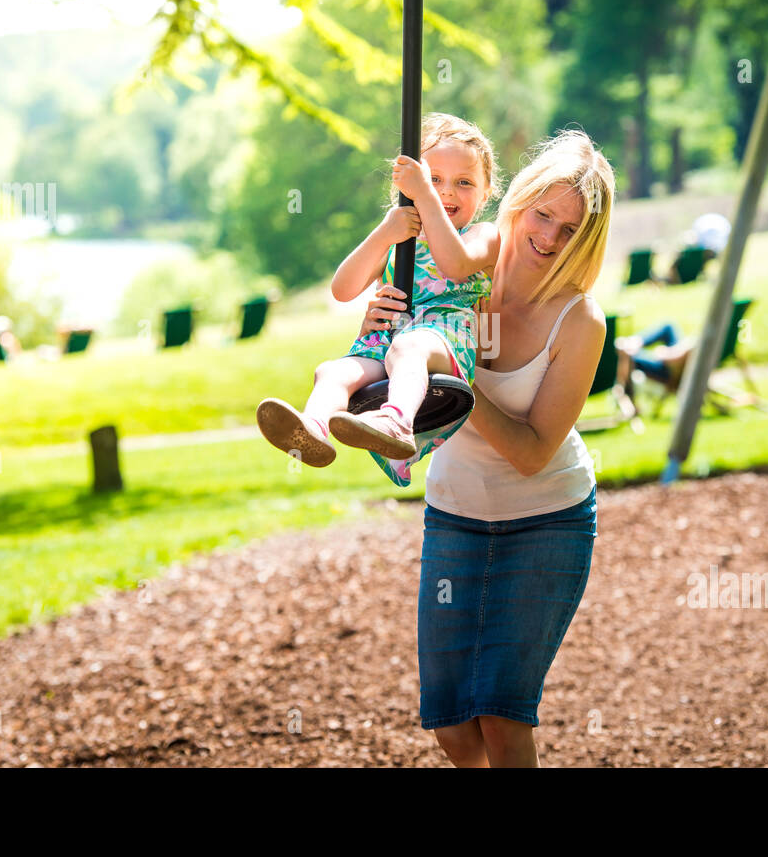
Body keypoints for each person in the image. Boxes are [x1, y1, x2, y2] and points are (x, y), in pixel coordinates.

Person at [359, 129, 614, 767]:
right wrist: (378, 332)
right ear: (519, 201)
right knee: (452, 727)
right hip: (456, 516)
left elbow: (531, 451)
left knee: (502, 716)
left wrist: (457, 386)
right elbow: (393, 368)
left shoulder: (578, 320)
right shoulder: (458, 268)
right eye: (544, 215)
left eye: (571, 230)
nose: (551, 238)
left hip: (546, 521)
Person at [255, 113, 501, 486]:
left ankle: (397, 423)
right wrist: (385, 232)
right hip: (385, 338)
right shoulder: (401, 236)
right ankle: (314, 429)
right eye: (433, 179)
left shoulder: (482, 235)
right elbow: (343, 289)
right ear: (405, 184)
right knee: (333, 371)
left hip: (445, 338)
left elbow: (454, 264)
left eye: (463, 183)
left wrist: (425, 196)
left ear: (486, 193)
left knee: (409, 346)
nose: (446, 192)